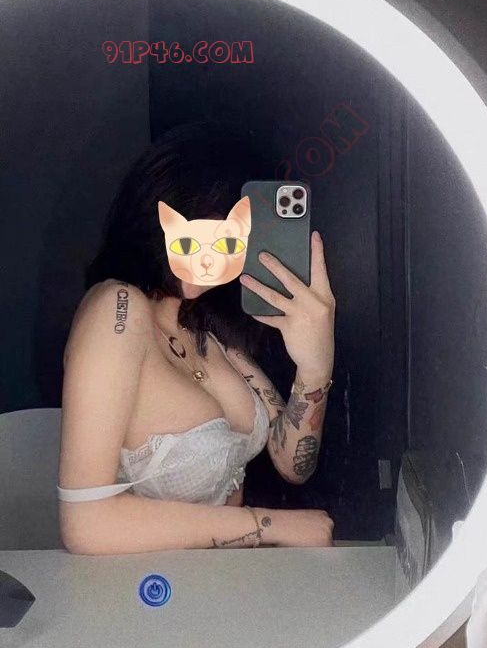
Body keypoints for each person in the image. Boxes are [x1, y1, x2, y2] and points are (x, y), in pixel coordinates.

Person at [57, 121, 336, 554]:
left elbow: (291, 463)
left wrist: (315, 367)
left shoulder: (204, 326)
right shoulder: (119, 309)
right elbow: (85, 523)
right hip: (148, 588)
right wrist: (272, 525)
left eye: (229, 242)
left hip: (220, 583)